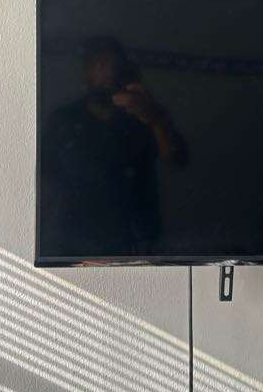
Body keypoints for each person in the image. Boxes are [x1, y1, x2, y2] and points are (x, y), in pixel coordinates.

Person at [40, 37, 186, 258]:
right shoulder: (63, 120)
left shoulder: (142, 117)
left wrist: (156, 119)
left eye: (113, 65)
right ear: (86, 72)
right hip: (72, 243)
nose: (107, 73)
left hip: (133, 244)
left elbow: (177, 161)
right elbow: (43, 180)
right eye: (99, 64)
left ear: (123, 71)